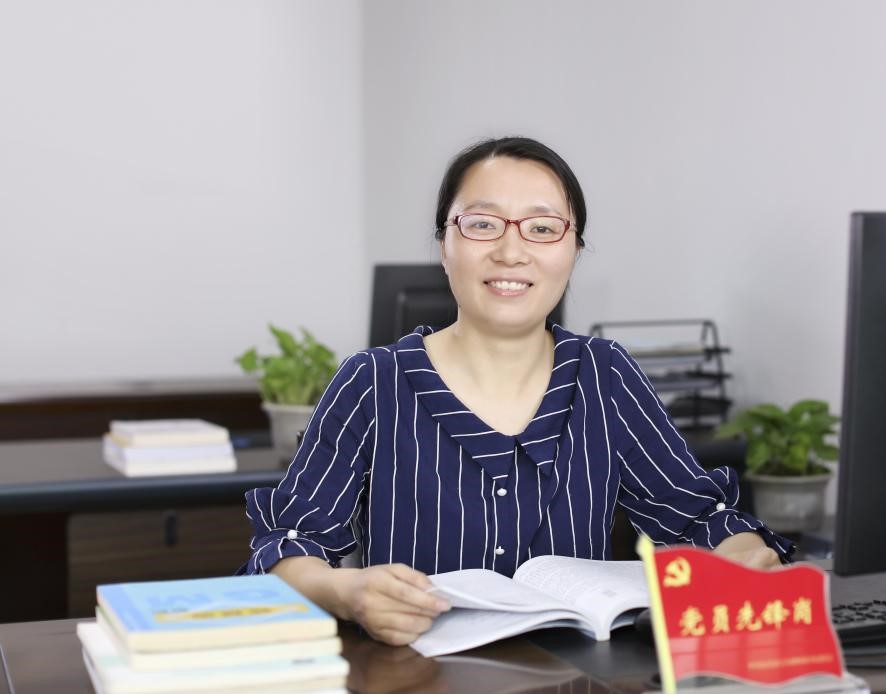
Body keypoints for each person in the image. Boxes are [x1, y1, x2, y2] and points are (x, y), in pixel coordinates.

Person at [240, 136, 793, 646]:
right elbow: (288, 546)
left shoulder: (606, 375)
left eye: (543, 228)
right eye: (482, 224)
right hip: (419, 678)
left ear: (573, 250)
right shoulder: (372, 382)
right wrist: (348, 592)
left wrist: (743, 555)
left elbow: (696, 519)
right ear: (444, 244)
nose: (511, 251)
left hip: (578, 678)